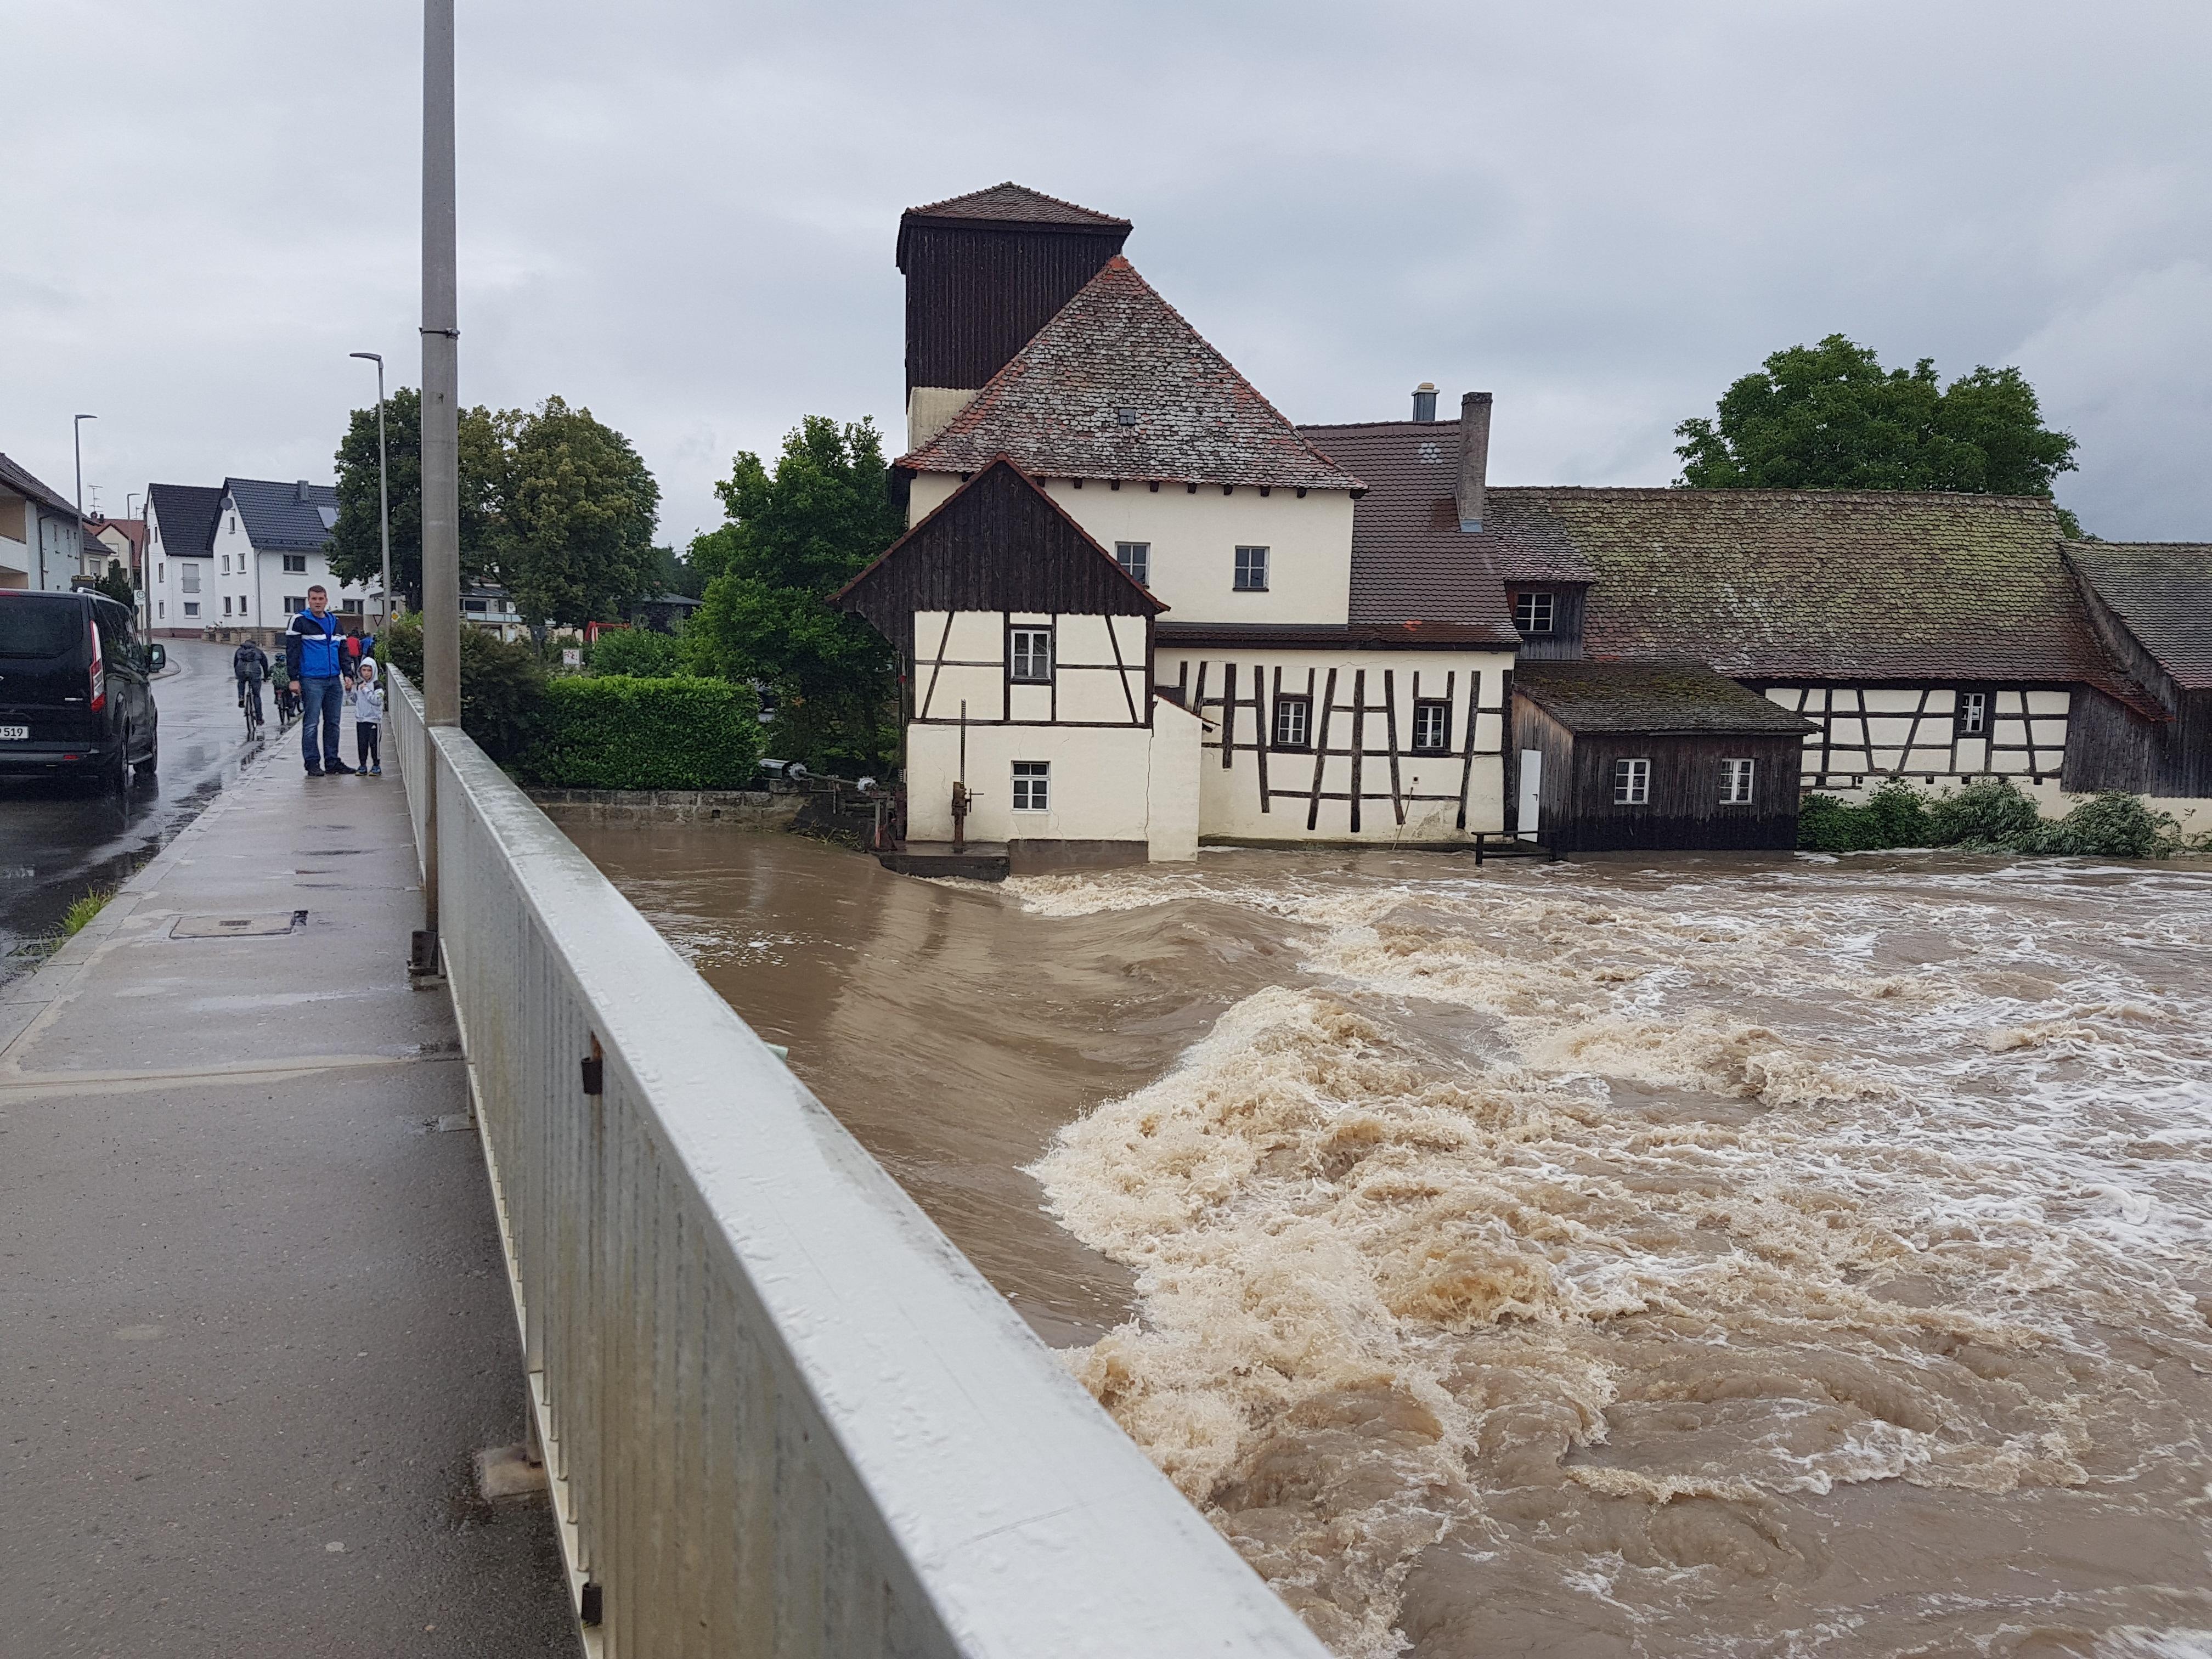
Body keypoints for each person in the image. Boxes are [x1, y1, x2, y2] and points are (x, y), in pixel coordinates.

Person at [284, 586, 356, 776]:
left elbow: (343, 650)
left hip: (333, 680)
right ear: (309, 600)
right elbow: (292, 651)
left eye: (321, 598)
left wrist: (348, 674)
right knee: (311, 723)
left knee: (333, 723)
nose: (318, 602)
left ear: (326, 600)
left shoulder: (335, 621)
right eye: (314, 599)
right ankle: (312, 763)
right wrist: (293, 679)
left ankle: (333, 762)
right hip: (311, 680)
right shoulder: (299, 621)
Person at [347, 661, 384, 777]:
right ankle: (362, 765)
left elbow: (377, 700)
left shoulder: (378, 686)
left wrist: (366, 690)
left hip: (374, 720)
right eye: (364, 670)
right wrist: (349, 691)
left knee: (374, 744)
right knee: (362, 744)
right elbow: (355, 700)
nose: (366, 673)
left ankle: (376, 765)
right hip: (361, 720)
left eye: (369, 670)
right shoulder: (359, 685)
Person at [232, 637, 270, 727]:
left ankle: (241, 697)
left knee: (241, 682)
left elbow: (235, 663)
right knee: (256, 695)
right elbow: (265, 664)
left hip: (241, 671)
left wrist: (237, 673)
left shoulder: (239, 651)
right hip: (255, 673)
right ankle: (259, 718)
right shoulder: (258, 651)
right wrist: (266, 676)